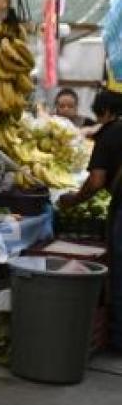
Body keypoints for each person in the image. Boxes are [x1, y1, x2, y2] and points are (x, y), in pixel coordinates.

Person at [59, 89, 122, 349]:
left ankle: (118, 340)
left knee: (120, 274)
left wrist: (72, 200)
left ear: (104, 113)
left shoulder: (109, 134)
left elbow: (96, 181)